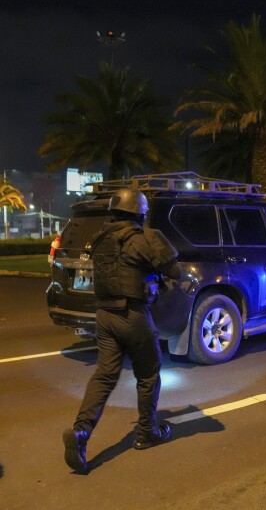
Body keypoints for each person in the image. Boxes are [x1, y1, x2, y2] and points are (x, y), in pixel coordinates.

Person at [63, 188, 181, 474]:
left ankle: (81, 432)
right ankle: (146, 433)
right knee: (149, 374)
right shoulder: (146, 237)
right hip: (133, 315)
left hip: (104, 315)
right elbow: (174, 270)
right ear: (140, 213)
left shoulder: (100, 238)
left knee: (104, 376)